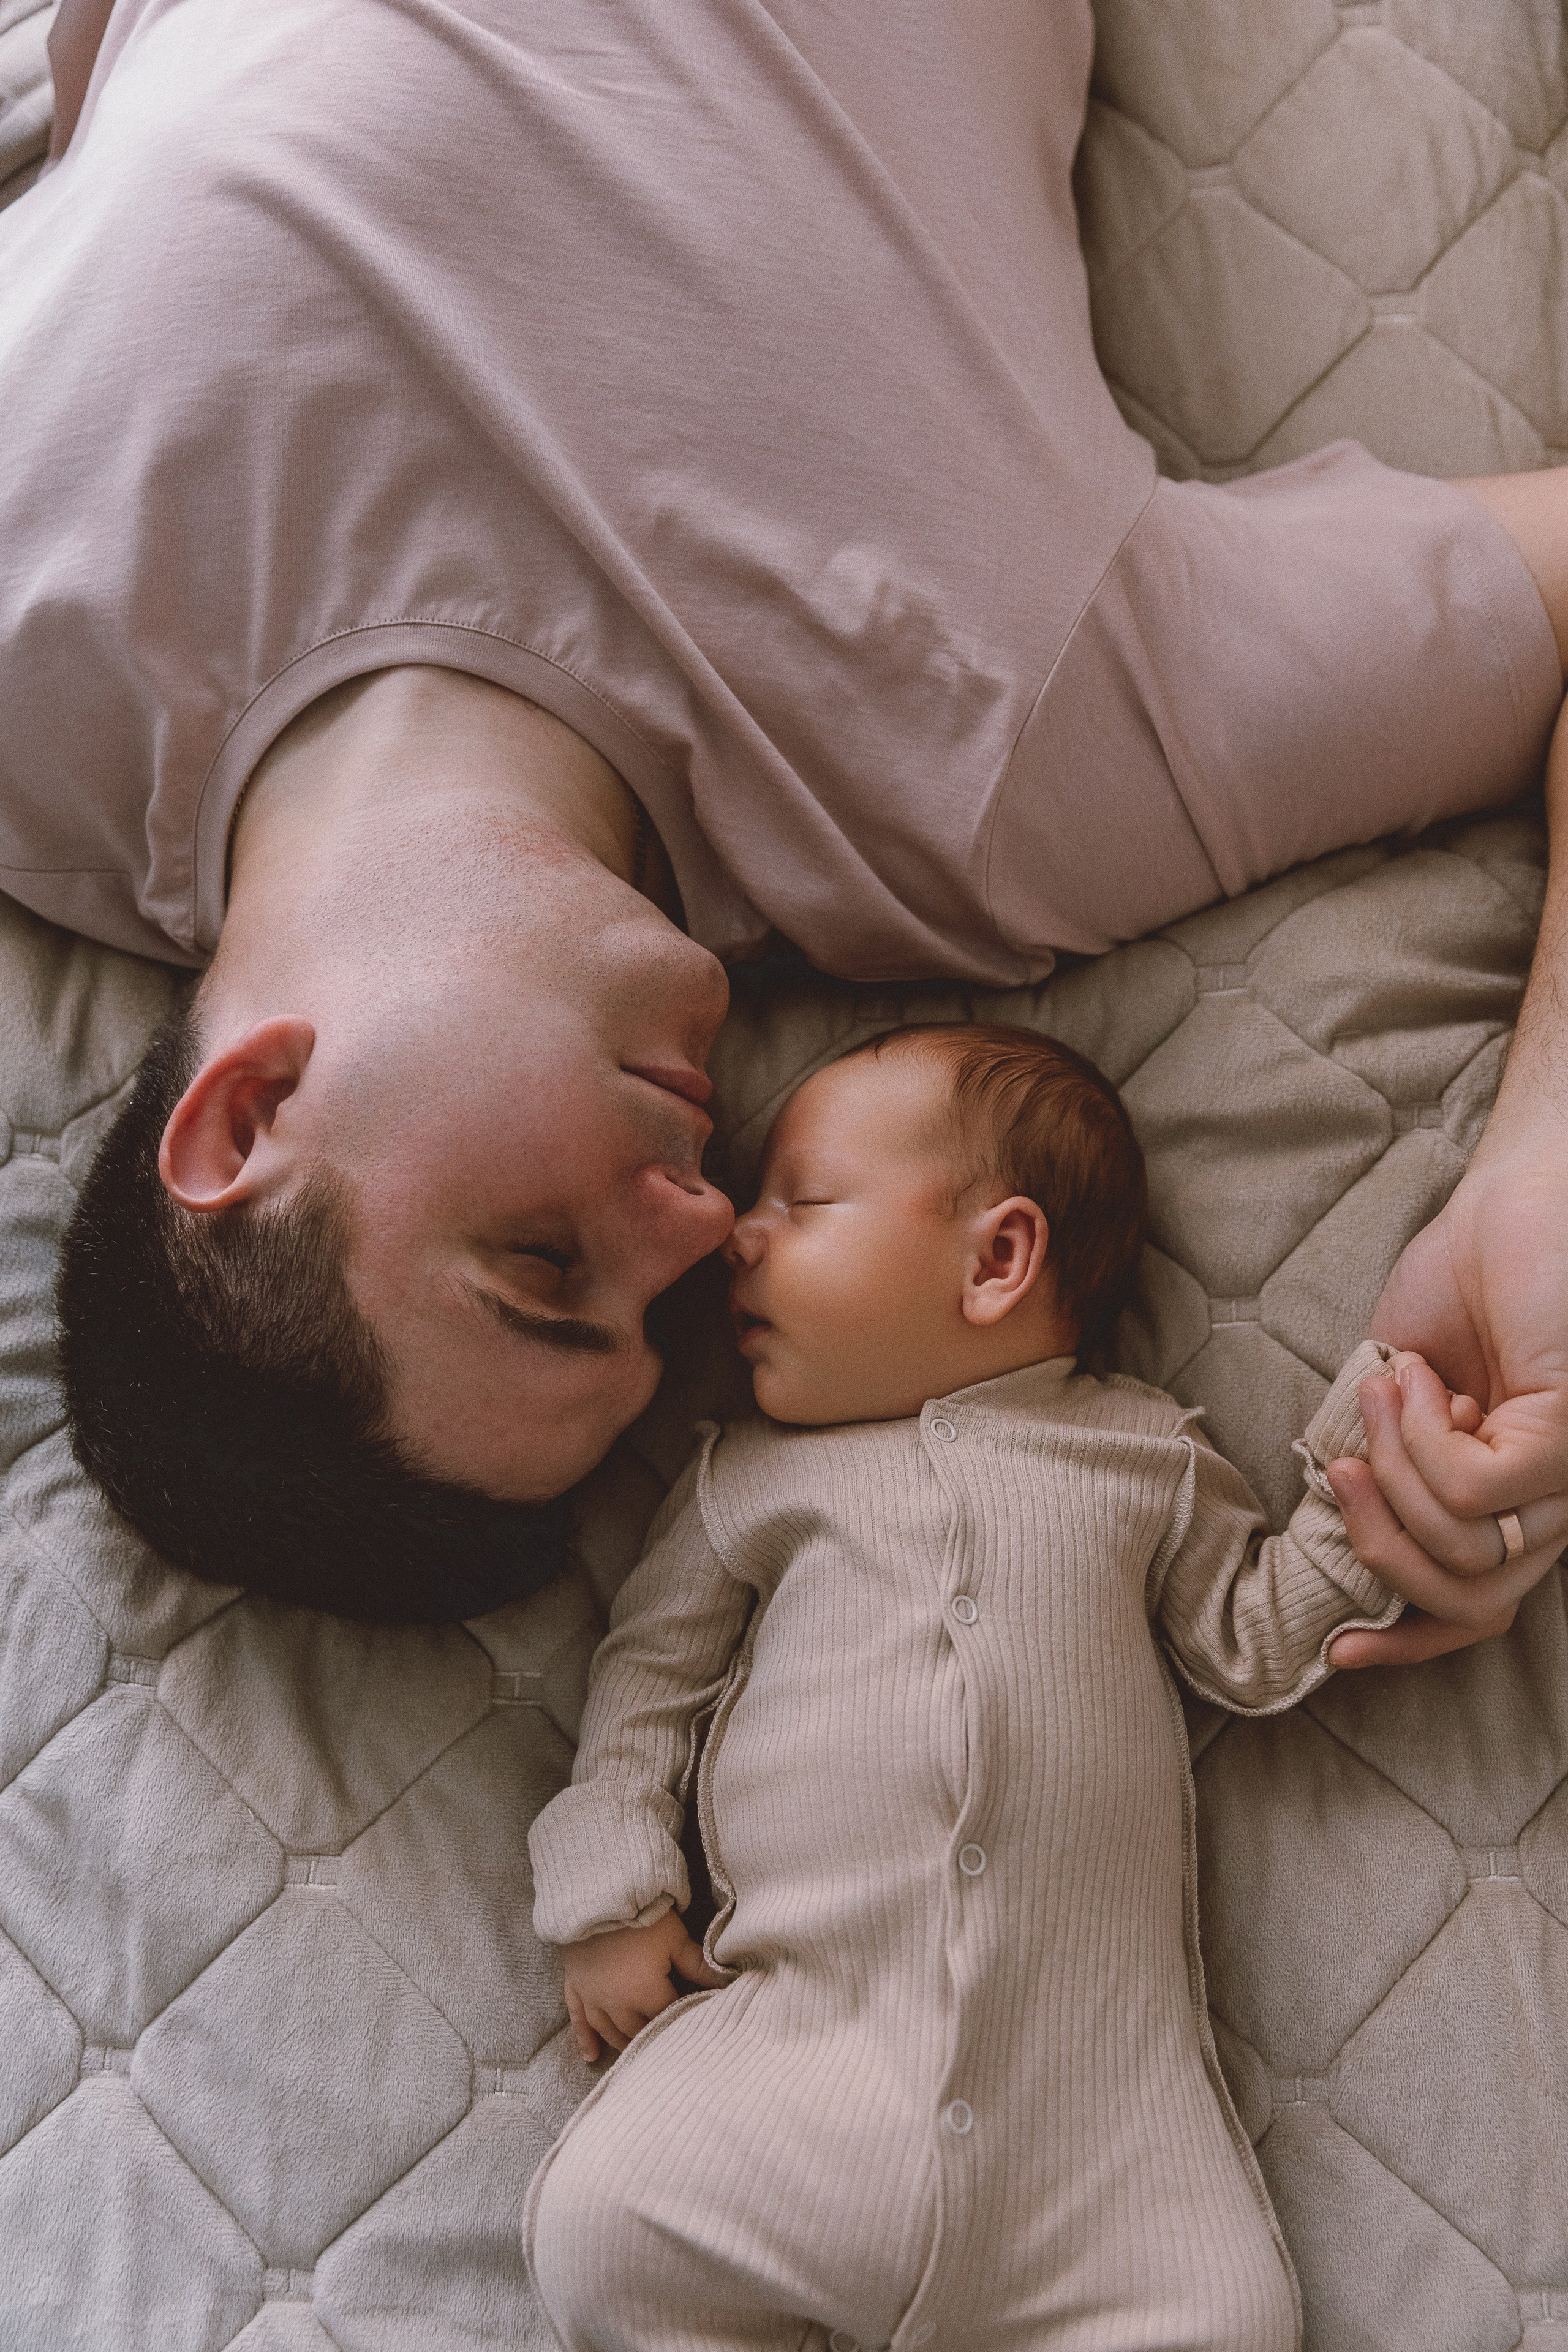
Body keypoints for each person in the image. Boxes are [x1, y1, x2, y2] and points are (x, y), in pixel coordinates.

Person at [5, 0, 1567, 1635]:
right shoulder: (985, 795)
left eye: (543, 1267)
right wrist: (1543, 1179)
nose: (700, 1221)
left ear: (247, 1122)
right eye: (650, 1310)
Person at [521, 1025, 1465, 2351]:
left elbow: (1252, 1636)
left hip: (1094, 2135)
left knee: (1231, 2317)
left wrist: (1376, 1452)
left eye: (804, 1201)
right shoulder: (746, 1477)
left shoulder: (1138, 1456)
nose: (738, 1232)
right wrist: (607, 1894)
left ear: (997, 1259)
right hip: (808, 2062)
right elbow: (644, 1690)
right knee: (601, 2227)